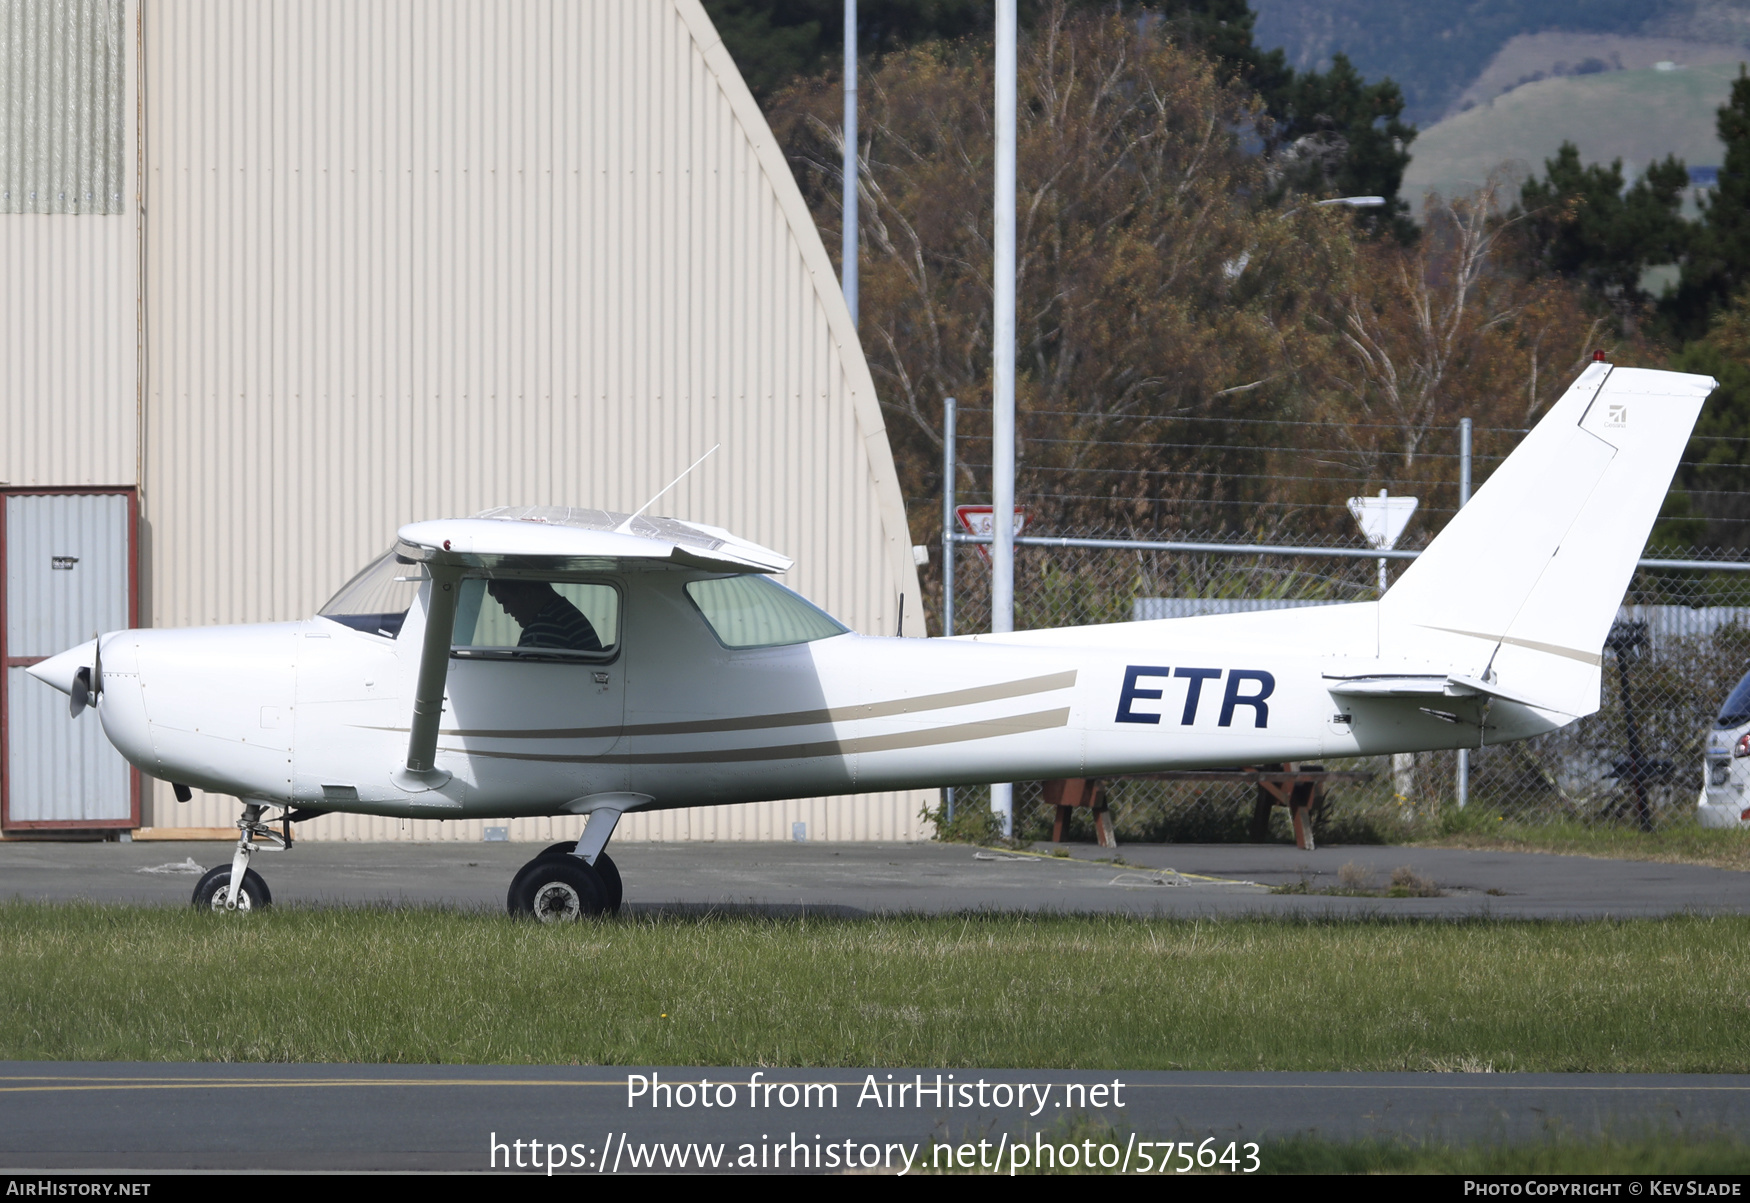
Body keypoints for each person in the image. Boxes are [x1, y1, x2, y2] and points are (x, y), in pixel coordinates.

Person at [485, 579, 603, 652]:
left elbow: (524, 682)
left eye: (505, 602)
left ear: (525, 593)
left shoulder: (545, 628)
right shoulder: (563, 614)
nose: (505, 611)